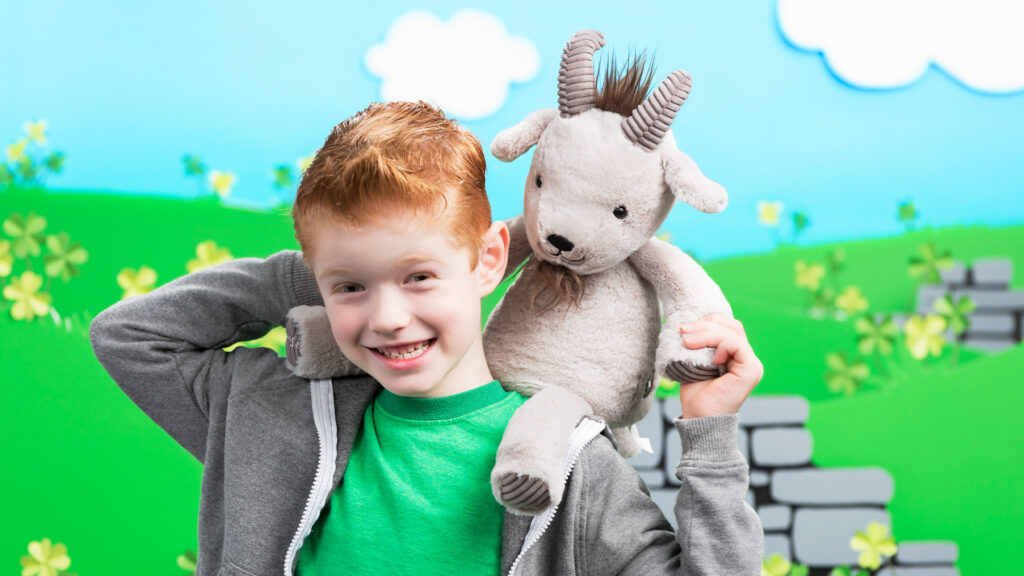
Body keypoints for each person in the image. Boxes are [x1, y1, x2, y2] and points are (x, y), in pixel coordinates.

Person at [89, 100, 764, 576]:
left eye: (417, 276)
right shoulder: (269, 411)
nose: (385, 317)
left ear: (489, 260)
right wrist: (313, 272)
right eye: (352, 288)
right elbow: (129, 337)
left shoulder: (570, 464)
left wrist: (711, 438)